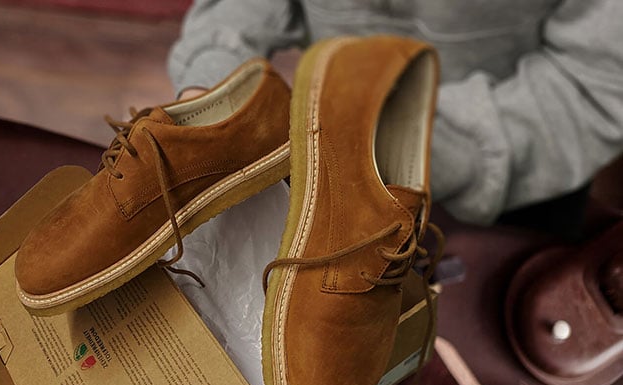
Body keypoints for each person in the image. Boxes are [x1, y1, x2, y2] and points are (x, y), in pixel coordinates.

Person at [168, 0, 623, 225]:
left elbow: (596, 81)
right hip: (328, 155)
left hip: (525, 173)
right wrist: (212, 91)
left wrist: (410, 151)